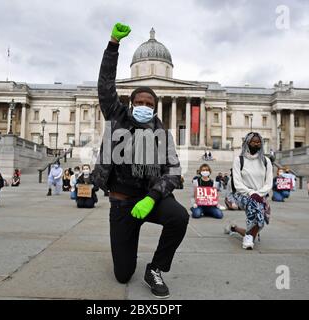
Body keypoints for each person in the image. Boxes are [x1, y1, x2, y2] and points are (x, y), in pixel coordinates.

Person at [92, 23, 188, 299]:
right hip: (122, 202)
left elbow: (174, 172)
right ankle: (129, 246)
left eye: (149, 103)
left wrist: (153, 196)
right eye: (140, 102)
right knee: (123, 274)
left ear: (155, 108)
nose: (144, 106)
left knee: (180, 217)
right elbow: (105, 85)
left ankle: (156, 268)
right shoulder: (117, 117)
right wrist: (113, 45)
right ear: (130, 103)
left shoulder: (162, 133)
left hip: (151, 200)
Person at [224, 132, 273, 250]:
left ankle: (237, 230)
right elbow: (237, 183)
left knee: (259, 210)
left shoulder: (266, 161)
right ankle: (249, 237)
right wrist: (252, 193)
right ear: (247, 143)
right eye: (253, 142)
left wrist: (258, 194)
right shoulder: (239, 160)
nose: (256, 144)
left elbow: (269, 183)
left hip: (260, 195)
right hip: (241, 195)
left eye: (258, 142)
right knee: (256, 206)